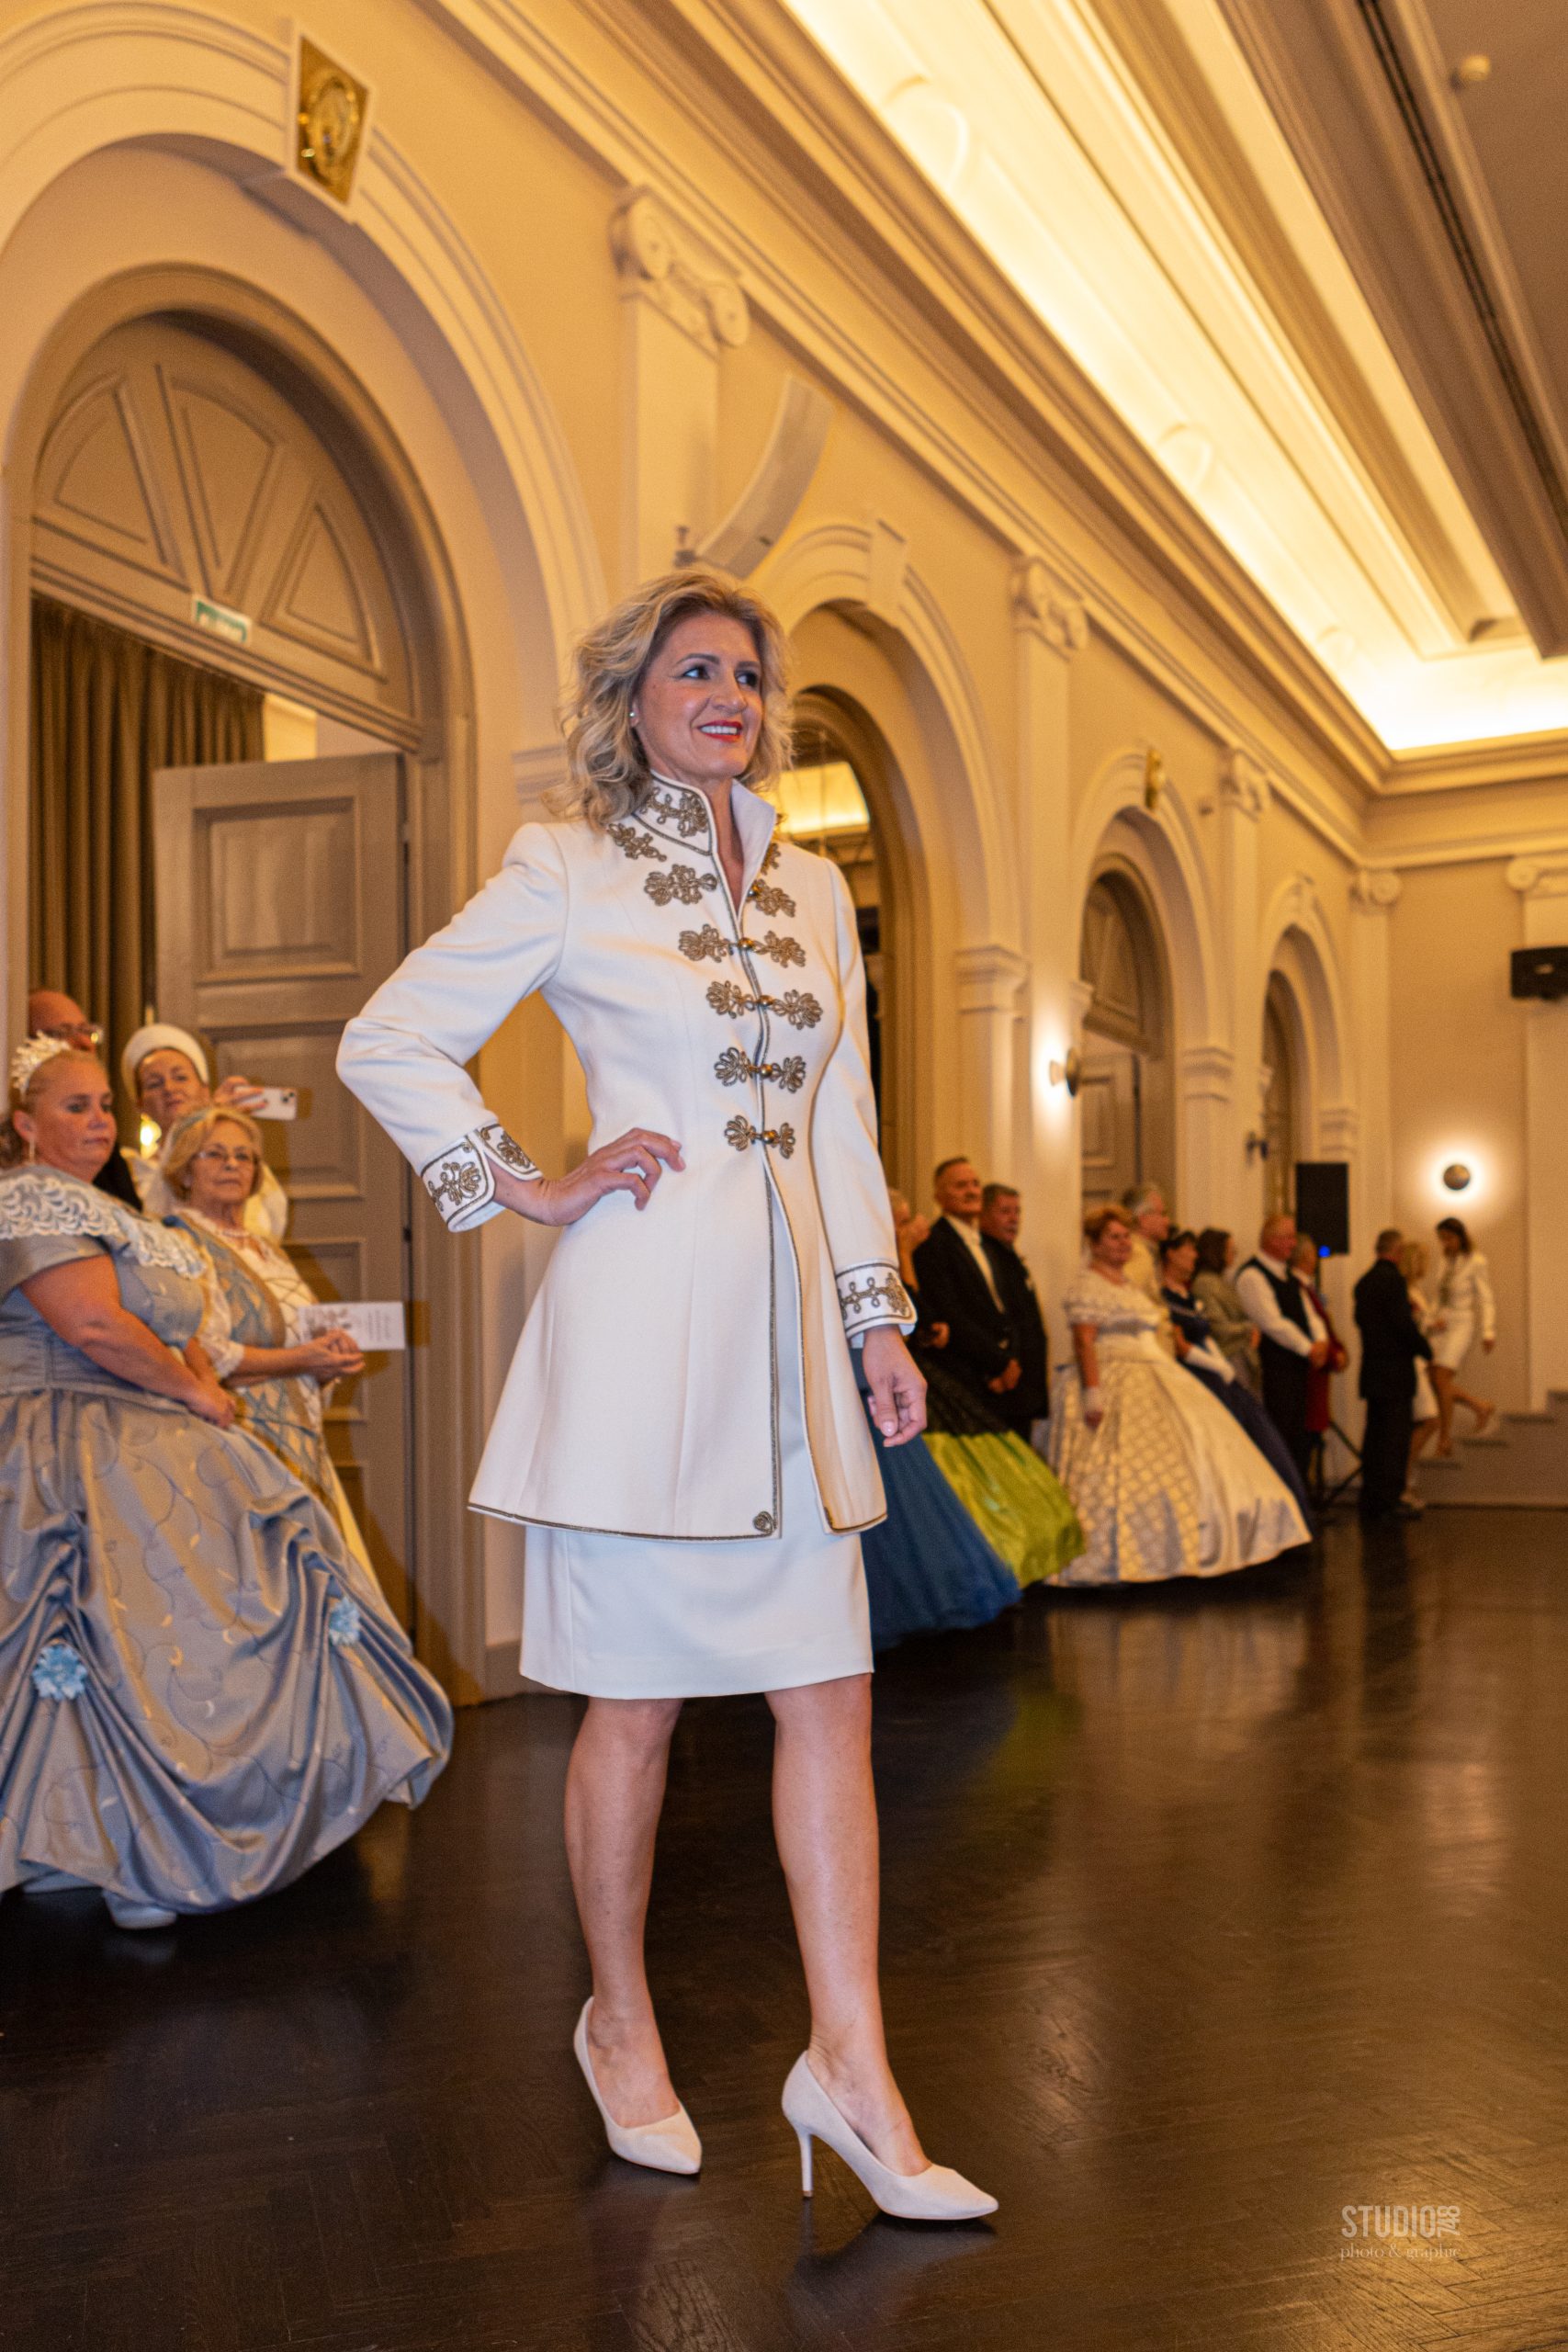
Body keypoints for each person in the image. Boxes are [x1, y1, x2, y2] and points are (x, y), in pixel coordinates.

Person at [336, 565, 995, 2222]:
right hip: (639, 1351)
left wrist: (875, 1319)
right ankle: (617, 2025)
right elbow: (389, 1038)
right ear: (630, 698)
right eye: (695, 670)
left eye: (749, 677)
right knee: (630, 1710)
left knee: (829, 1698)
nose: (728, 697)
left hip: (793, 1365)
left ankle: (850, 2065)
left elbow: (836, 1120)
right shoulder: (563, 867)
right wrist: (522, 1184)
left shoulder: (814, 890)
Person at [0, 1037, 451, 1932]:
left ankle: (118, 1840)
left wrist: (198, 1386)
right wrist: (196, 1393)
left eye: (103, 1106)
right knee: (98, 1634)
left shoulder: (114, 1210)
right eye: (75, 1106)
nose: (97, 1121)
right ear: (25, 1123)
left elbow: (172, 1324)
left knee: (170, 1637)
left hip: (150, 1435)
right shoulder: (28, 1197)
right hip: (66, 1440)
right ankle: (108, 1846)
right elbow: (93, 1325)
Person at [160, 1102, 372, 1569]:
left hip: (300, 1435)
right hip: (236, 1439)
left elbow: (297, 1341)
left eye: (244, 1156)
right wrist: (303, 1359)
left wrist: (327, 1362)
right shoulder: (180, 1242)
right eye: (215, 1154)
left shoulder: (266, 1249)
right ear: (185, 1170)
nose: (233, 1165)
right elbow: (204, 1356)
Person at [1047, 1205, 1308, 1585]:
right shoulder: (1088, 1285)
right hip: (1112, 1376)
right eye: (1114, 1237)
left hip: (1154, 1370)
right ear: (1095, 1244)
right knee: (1116, 1473)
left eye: (1125, 1236)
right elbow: (1085, 1341)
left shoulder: (1129, 1284)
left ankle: (1181, 1548)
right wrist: (1092, 1393)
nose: (1123, 1244)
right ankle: (1115, 1557)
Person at [892, 1192, 1084, 1593]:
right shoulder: (909, 1254)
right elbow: (919, 1317)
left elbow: (923, 1315)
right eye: (901, 1220)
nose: (910, 1228)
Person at [1159, 1229, 1314, 1526]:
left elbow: (1207, 1332)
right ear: (1171, 1253)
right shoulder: (1182, 1291)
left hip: (1216, 1367)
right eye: (1188, 1249)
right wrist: (1223, 1357)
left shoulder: (1191, 1293)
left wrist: (1219, 1364)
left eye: (1195, 1249)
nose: (1194, 1255)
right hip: (1196, 1374)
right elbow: (1185, 1342)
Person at [120, 1023, 288, 1238]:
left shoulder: (241, 1160)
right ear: (140, 1104)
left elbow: (269, 1227)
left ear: (204, 1089)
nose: (169, 1088)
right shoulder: (131, 1171)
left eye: (181, 1077)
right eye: (154, 1084)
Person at [912, 1158, 1019, 1408]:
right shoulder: (933, 1243)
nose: (971, 1191)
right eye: (960, 1185)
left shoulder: (988, 1244)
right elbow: (951, 1313)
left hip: (1001, 1375)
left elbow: (1005, 1309)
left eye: (975, 1184)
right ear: (938, 1197)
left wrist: (1011, 1361)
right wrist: (999, 1363)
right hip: (966, 1375)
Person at [1236, 1213, 1329, 1484]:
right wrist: (1308, 1348)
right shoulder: (1253, 1276)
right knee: (1278, 1438)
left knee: (1298, 1439)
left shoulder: (1288, 1276)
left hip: (1295, 1371)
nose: (1293, 1244)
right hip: (1273, 1372)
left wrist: (1320, 1341)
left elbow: (1309, 1314)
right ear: (1271, 1240)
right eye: (1288, 1237)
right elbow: (1272, 1323)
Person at [28, 989, 140, 1207]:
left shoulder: (104, 1153)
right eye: (64, 1032)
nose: (85, 1043)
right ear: (27, 1125)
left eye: (105, 1106)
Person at [1354, 1227, 1433, 1521]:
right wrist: (1424, 1348)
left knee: (1374, 1436)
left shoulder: (1364, 1282)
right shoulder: (1393, 1281)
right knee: (1395, 1439)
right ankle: (1389, 1501)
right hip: (1396, 1373)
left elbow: (1362, 1321)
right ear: (1398, 1252)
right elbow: (1402, 1324)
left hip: (1373, 1370)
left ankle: (1371, 1497)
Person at [978, 1182, 1049, 1442]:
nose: (1013, 1219)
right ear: (983, 1213)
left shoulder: (1010, 1255)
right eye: (1005, 1211)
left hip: (1024, 1383)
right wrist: (1000, 1366)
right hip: (1004, 1378)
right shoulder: (985, 1255)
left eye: (1017, 1211)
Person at [1430, 1216, 1497, 1454]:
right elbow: (1439, 1297)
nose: (1445, 1243)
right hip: (1441, 1324)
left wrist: (1488, 1330)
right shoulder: (1444, 1261)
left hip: (1462, 1323)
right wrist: (1430, 1321)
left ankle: (1444, 1439)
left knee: (1442, 1378)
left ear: (1460, 1237)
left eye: (1449, 1238)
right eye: (1442, 1239)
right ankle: (1479, 1406)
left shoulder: (1476, 1261)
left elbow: (1486, 1298)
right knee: (1434, 1379)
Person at [1289, 1233, 1348, 1492]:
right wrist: (1332, 1353)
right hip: (1309, 1370)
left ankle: (1310, 1489)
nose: (1316, 1259)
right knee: (1305, 1436)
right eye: (1313, 1254)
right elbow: (1314, 1328)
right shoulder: (1297, 1288)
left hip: (1318, 1370)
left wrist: (1336, 1351)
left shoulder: (1307, 1288)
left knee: (1313, 1436)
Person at [1193, 1227, 1261, 1395]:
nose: (1234, 1253)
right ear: (1217, 1251)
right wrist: (1249, 1328)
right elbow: (1218, 1328)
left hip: (1240, 1354)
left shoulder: (1220, 1280)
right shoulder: (1205, 1284)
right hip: (1229, 1356)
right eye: (1230, 1249)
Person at [1399, 1238, 1439, 1503]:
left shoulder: (1415, 1290)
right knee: (1430, 1420)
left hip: (1420, 1363)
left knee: (1422, 1421)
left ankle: (1407, 1480)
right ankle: (1403, 1478)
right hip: (1412, 1363)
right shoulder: (1405, 1291)